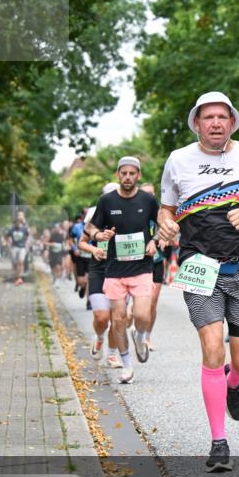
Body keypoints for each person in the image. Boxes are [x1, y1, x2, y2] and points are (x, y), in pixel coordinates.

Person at [157, 91, 239, 472]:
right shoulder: (178, 161)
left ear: (231, 123)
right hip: (198, 265)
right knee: (213, 348)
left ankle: (233, 383)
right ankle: (218, 442)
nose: (215, 123)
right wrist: (164, 223)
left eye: (222, 117)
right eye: (208, 117)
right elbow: (167, 209)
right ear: (197, 122)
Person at [87, 157, 159, 385]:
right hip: (114, 269)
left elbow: (161, 225)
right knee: (117, 321)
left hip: (141, 267)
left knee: (142, 316)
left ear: (138, 175)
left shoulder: (148, 200)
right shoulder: (107, 200)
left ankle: (139, 337)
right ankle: (127, 365)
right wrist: (100, 236)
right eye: (123, 173)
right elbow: (91, 227)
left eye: (132, 173)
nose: (127, 177)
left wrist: (155, 240)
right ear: (118, 174)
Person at [140, 183, 171, 351]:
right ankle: (136, 328)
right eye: (145, 193)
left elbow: (168, 227)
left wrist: (164, 236)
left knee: (152, 301)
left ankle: (147, 336)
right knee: (138, 304)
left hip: (157, 261)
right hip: (136, 263)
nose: (149, 196)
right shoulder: (133, 210)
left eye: (151, 194)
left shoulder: (160, 213)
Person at [6, 211, 30, 286]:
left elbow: (29, 236)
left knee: (21, 261)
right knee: (16, 264)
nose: (19, 222)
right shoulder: (12, 229)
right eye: (17, 221)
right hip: (14, 247)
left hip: (22, 247)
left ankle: (20, 278)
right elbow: (8, 238)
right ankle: (17, 277)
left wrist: (27, 246)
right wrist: (9, 247)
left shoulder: (25, 228)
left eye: (20, 221)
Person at [69, 213, 89, 298]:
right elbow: (70, 240)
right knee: (81, 281)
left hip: (92, 257)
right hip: (80, 256)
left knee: (89, 279)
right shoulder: (77, 227)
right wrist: (75, 249)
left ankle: (89, 302)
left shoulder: (98, 226)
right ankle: (83, 287)